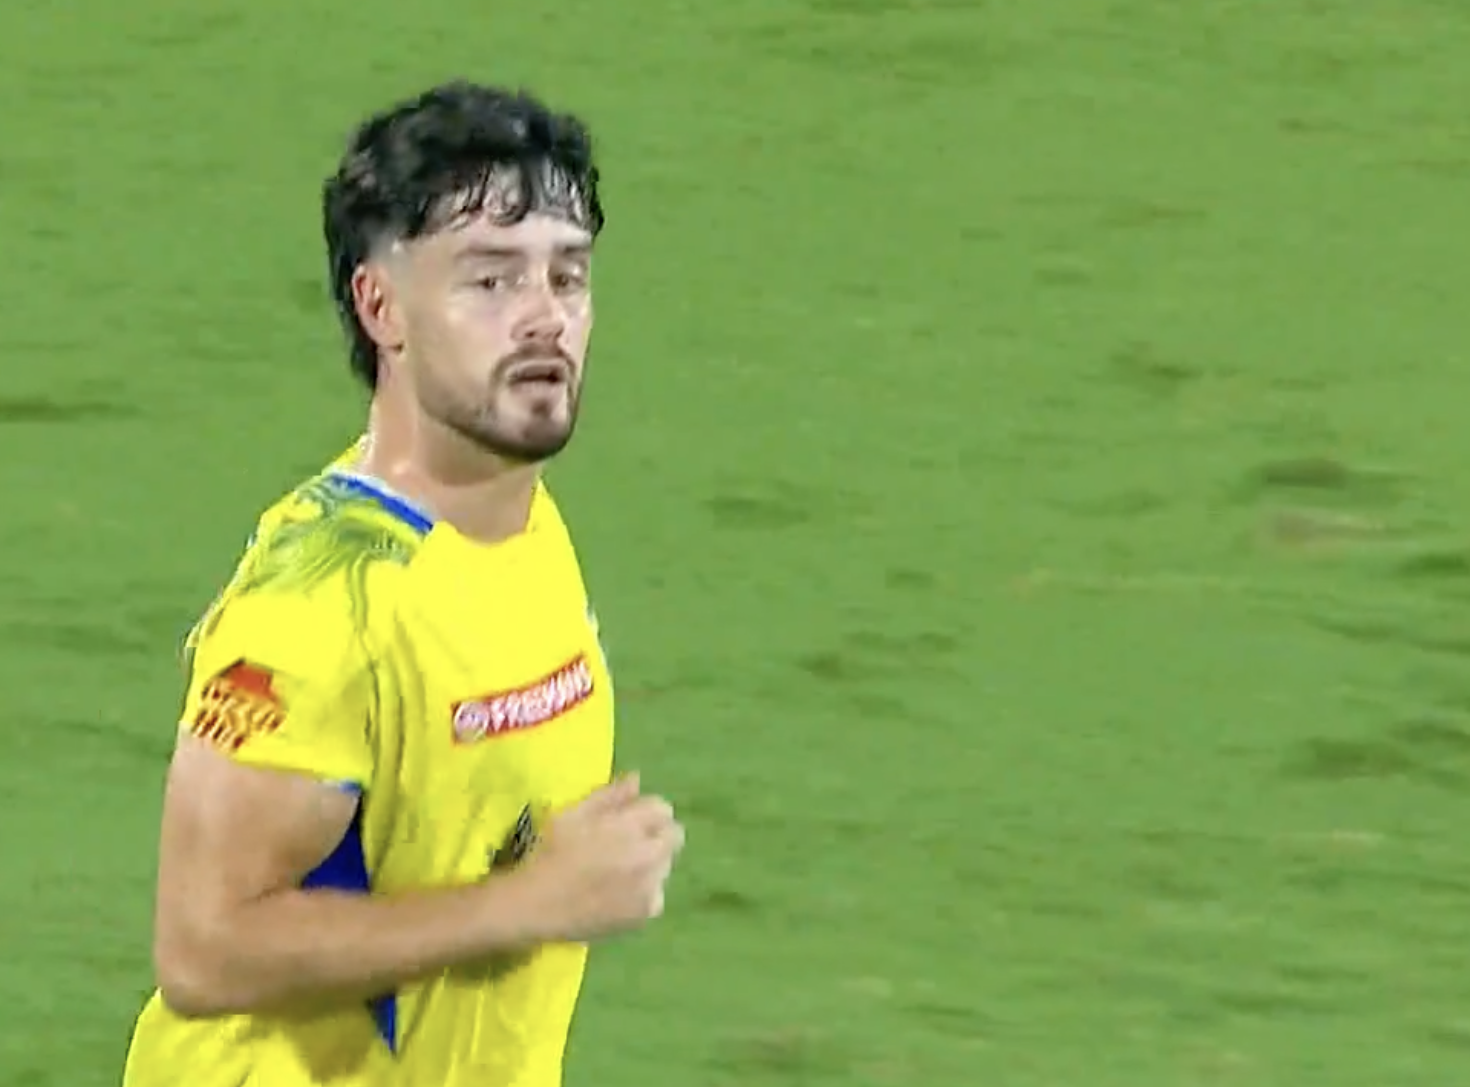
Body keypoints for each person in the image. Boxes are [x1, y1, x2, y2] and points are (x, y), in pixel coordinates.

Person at [121, 80, 685, 1087]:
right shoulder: (316, 605)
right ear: (381, 307)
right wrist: (534, 902)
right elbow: (202, 947)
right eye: (491, 280)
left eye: (567, 275)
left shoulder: (525, 524)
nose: (545, 318)